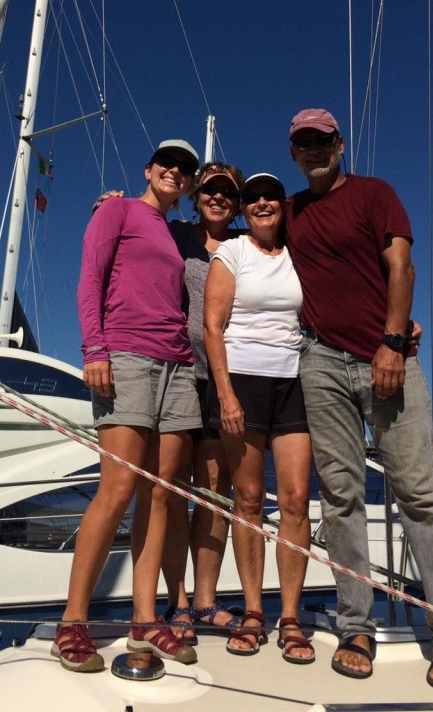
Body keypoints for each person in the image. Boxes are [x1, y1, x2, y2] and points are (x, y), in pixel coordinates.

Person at [285, 108, 433, 690]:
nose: (313, 150)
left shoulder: (374, 193)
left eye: (321, 140)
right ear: (294, 152)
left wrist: (392, 342)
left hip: (385, 358)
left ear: (339, 143)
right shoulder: (290, 210)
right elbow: (228, 224)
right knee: (340, 496)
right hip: (321, 361)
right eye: (301, 144)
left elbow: (401, 265)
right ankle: (356, 625)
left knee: (418, 490)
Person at [53, 139, 202, 673]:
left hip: (178, 365)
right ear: (148, 168)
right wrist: (93, 349)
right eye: (168, 162)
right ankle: (72, 621)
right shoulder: (116, 208)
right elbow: (89, 278)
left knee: (162, 494)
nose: (176, 171)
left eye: (185, 169)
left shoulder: (180, 232)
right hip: (127, 355)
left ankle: (144, 620)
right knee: (117, 488)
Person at [203, 173, 315, 664]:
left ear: (282, 205)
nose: (262, 203)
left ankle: (290, 616)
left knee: (294, 500)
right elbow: (212, 325)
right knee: (247, 499)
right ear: (244, 209)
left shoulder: (300, 252)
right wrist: (225, 395)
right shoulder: (232, 252)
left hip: (294, 382)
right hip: (242, 380)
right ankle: (253, 612)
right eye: (253, 198)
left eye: (270, 196)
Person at [162, 163, 246, 642]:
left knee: (214, 494)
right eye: (210, 189)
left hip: (224, 379)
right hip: (177, 372)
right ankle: (175, 603)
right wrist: (113, 202)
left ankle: (206, 600)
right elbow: (133, 224)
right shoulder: (174, 234)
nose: (217, 198)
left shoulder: (242, 245)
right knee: (172, 491)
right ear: (196, 195)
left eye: (227, 192)